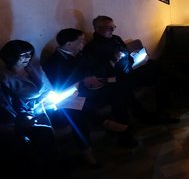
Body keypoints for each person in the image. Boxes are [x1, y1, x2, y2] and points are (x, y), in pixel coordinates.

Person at [42, 28, 122, 160]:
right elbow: (59, 86)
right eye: (81, 40)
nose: (84, 43)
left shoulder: (80, 54)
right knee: (78, 115)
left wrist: (95, 77)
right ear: (68, 44)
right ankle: (98, 136)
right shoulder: (53, 62)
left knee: (120, 90)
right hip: (69, 99)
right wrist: (82, 81)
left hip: (88, 91)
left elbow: (93, 69)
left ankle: (117, 131)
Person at [82, 16, 176, 123]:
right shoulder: (92, 48)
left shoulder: (116, 39)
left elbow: (128, 55)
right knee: (122, 90)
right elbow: (99, 72)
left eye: (113, 27)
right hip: (116, 79)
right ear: (98, 28)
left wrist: (135, 59)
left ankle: (162, 109)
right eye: (109, 28)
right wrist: (113, 59)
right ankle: (142, 117)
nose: (112, 30)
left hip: (131, 70)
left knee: (159, 66)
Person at [0, 40, 64, 178]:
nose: (27, 58)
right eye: (23, 55)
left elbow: (49, 88)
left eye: (29, 54)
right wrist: (38, 101)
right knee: (43, 138)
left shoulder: (35, 68)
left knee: (75, 109)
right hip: (27, 116)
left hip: (46, 108)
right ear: (11, 56)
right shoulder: (5, 77)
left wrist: (49, 97)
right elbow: (10, 105)